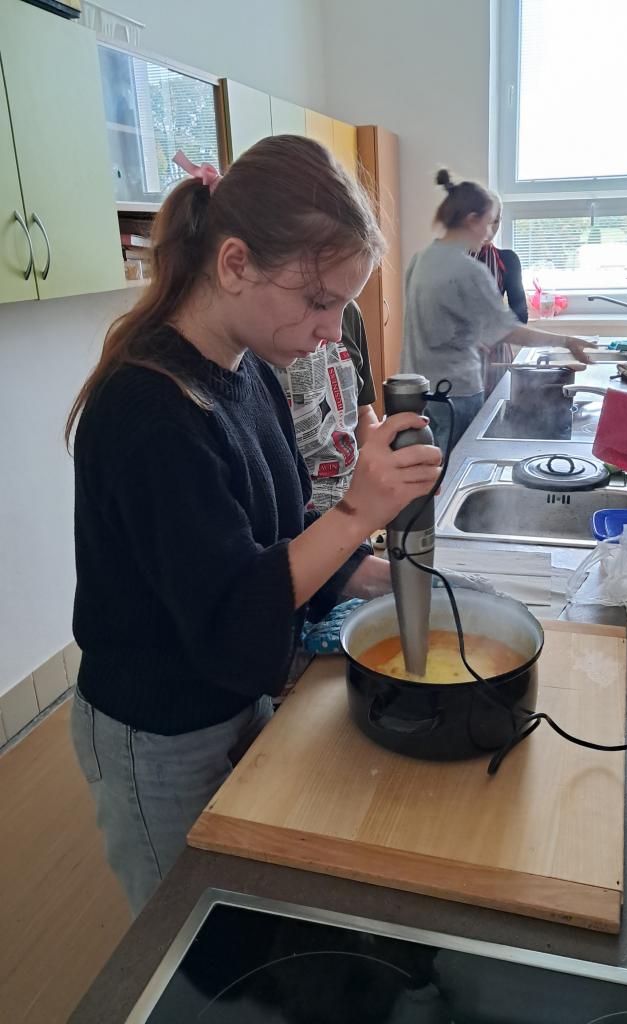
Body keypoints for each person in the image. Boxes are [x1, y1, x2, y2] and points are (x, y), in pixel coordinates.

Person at [65, 136, 441, 916]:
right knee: (189, 932)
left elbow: (280, 531)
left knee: (250, 901)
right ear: (234, 263)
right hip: (159, 726)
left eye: (341, 306)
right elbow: (235, 608)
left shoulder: (250, 373)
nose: (332, 330)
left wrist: (382, 575)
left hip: (235, 694)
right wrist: (358, 513)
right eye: (318, 302)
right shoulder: (148, 413)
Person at [401, 169, 587, 455]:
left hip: (420, 391)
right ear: (471, 220)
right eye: (488, 223)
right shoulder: (468, 269)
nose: (489, 233)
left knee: (428, 465)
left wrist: (466, 335)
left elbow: (427, 321)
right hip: (457, 391)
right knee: (458, 466)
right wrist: (566, 341)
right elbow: (508, 329)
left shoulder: (420, 259)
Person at [273, 300, 378, 514]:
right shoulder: (260, 330)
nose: (335, 333)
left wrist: (384, 459)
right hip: (290, 510)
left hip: (353, 498)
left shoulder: (348, 312)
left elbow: (363, 413)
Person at [472, 195, 530, 395]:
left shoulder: (508, 260)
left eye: (495, 221)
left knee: (494, 409)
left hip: (495, 354)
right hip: (458, 356)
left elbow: (520, 316)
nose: (490, 228)